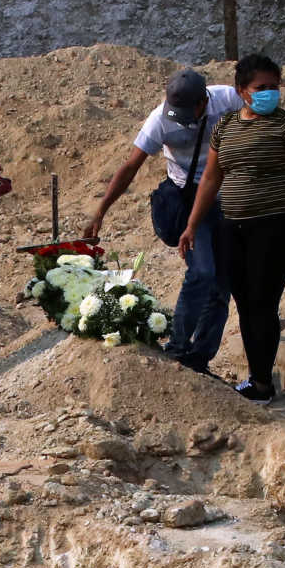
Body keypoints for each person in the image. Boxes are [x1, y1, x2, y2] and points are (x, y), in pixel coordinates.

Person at [179, 53, 285, 402]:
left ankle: (262, 383)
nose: (269, 93)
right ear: (242, 90)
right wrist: (192, 224)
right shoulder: (225, 126)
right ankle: (258, 378)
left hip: (275, 225)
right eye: (261, 87)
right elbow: (212, 178)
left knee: (263, 299)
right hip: (232, 227)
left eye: (274, 87)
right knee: (245, 302)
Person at [86, 68, 240, 372]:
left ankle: (199, 360)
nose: (180, 119)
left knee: (222, 285)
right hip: (189, 200)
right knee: (202, 272)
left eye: (187, 113)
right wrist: (101, 210)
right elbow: (131, 166)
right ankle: (178, 349)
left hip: (229, 197)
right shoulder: (160, 120)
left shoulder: (228, 100)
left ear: (202, 103)